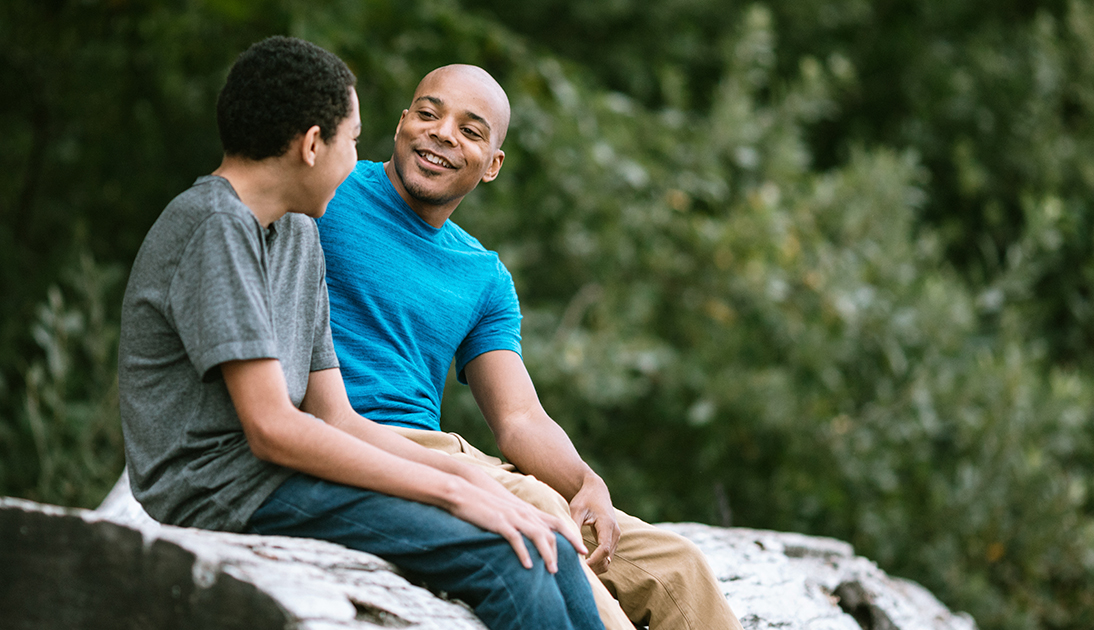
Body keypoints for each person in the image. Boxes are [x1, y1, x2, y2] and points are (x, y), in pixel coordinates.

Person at [117, 37, 604, 630]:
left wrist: (470, 479)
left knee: (545, 542)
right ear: (313, 145)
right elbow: (272, 428)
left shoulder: (298, 233)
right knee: (510, 556)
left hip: (280, 475)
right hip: (226, 490)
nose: (359, 161)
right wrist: (453, 496)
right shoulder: (214, 227)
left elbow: (339, 417)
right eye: (352, 140)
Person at [316, 64, 745, 630]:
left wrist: (587, 483)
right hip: (360, 436)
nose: (442, 133)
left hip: (451, 450)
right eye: (428, 113)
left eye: (471, 130)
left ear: (493, 164)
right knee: (540, 510)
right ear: (400, 124)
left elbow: (519, 419)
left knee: (679, 567)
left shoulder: (483, 275)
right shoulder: (326, 194)